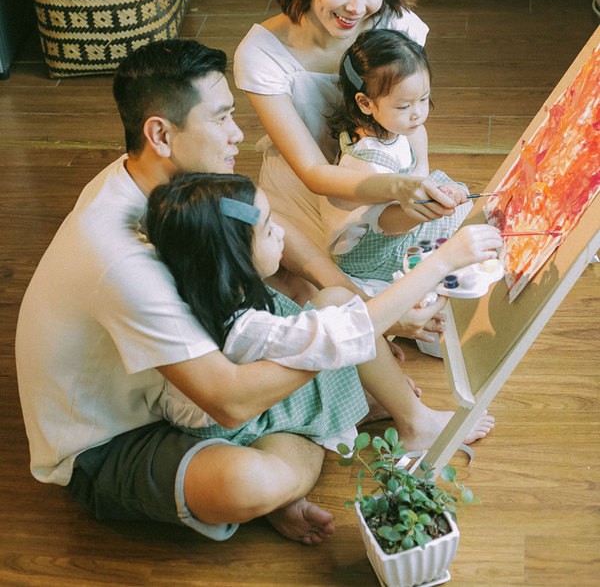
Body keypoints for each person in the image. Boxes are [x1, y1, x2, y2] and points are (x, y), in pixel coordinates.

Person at [16, 39, 402, 547]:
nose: (238, 133)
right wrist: (341, 346)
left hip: (177, 389)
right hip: (113, 437)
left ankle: (315, 420)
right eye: (220, 118)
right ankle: (313, 434)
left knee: (301, 280)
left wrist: (353, 299)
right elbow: (230, 403)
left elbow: (268, 223)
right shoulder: (123, 260)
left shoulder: (166, 175)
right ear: (161, 133)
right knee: (252, 483)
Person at [145, 172, 501, 457]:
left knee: (335, 300)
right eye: (268, 229)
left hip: (247, 388)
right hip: (244, 423)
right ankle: (416, 424)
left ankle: (384, 403)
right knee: (340, 317)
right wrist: (443, 261)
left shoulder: (204, 284)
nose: (281, 233)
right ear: (231, 259)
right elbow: (342, 332)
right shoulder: (245, 329)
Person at [234, 0, 462, 260]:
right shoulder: (263, 54)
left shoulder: (396, 27)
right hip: (310, 193)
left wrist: (418, 176)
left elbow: (410, 121)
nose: (357, 7)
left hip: (389, 177)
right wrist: (399, 187)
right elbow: (313, 172)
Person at [322, 28, 472, 292]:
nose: (418, 114)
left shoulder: (392, 123)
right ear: (365, 103)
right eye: (404, 106)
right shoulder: (369, 162)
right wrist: (427, 207)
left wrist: (422, 180)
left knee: (463, 206)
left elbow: (418, 140)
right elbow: (387, 222)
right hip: (374, 250)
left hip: (397, 209)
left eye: (424, 99)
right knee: (459, 236)